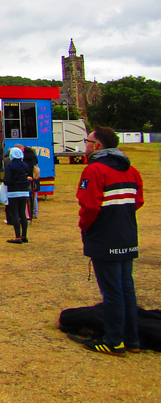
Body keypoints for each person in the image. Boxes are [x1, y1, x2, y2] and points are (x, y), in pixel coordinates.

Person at [68, 126, 144, 356]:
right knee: (126, 289)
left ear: (97, 145)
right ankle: (132, 340)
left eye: (87, 141)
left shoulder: (95, 170)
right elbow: (138, 201)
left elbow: (89, 205)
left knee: (112, 292)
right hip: (127, 233)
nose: (86, 145)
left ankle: (113, 341)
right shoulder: (131, 170)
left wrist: (86, 227)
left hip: (105, 236)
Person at [3, 147, 30, 244]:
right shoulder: (24, 165)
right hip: (24, 191)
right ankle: (24, 235)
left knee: (14, 213)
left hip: (14, 191)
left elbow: (7, 180)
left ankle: (17, 236)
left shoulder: (10, 166)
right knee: (22, 213)